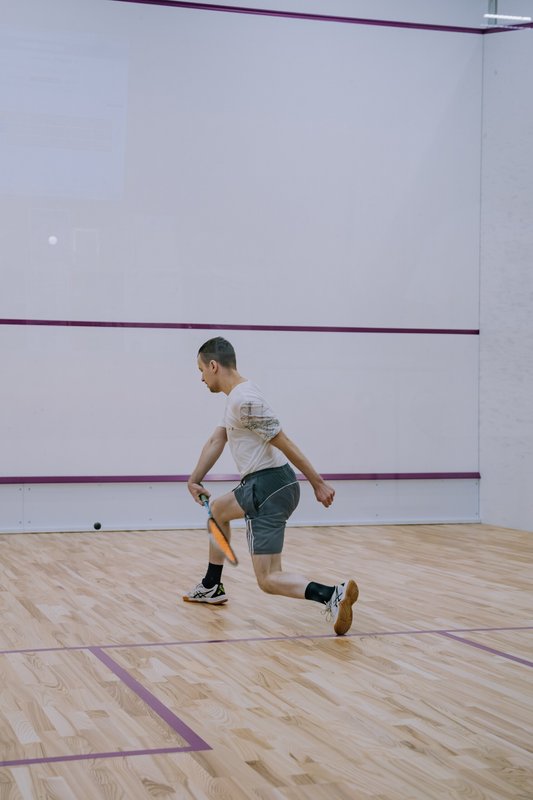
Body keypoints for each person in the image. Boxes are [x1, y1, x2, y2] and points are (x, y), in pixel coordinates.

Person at [185, 336, 359, 636]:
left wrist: (318, 483)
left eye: (201, 370)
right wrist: (194, 479)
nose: (201, 378)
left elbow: (283, 440)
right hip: (267, 484)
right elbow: (217, 439)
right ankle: (211, 585)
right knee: (218, 511)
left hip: (267, 487)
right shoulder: (238, 395)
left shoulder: (244, 402)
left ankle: (332, 594)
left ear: (213, 366)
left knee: (268, 579)